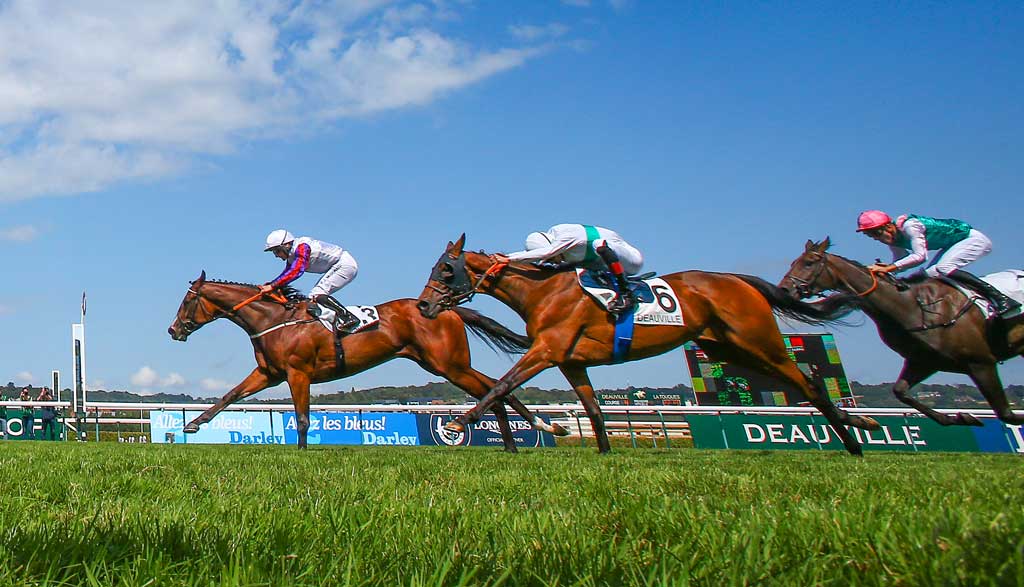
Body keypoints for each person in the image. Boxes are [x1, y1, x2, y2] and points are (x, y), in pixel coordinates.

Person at [857, 210, 1020, 316]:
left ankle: (1002, 299)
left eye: (875, 233)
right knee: (929, 275)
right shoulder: (892, 240)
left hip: (973, 239)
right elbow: (900, 261)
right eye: (871, 236)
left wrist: (891, 268)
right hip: (953, 244)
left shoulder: (910, 227)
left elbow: (920, 256)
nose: (876, 238)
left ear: (887, 226)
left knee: (943, 268)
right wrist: (886, 268)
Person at [492, 224, 644, 313]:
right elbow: (538, 256)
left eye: (551, 260)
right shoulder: (555, 238)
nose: (552, 262)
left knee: (600, 245)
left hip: (631, 261)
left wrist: (508, 258)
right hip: (600, 262)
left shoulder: (566, 238)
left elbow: (547, 252)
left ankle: (626, 294)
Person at [260, 229, 360, 335]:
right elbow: (286, 273)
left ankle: (348, 317)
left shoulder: (302, 247)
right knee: (314, 296)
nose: (276, 255)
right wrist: (272, 284)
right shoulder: (293, 254)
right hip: (337, 265)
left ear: (287, 245)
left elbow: (297, 270)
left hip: (344, 265)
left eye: (277, 251)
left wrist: (273, 285)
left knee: (317, 293)